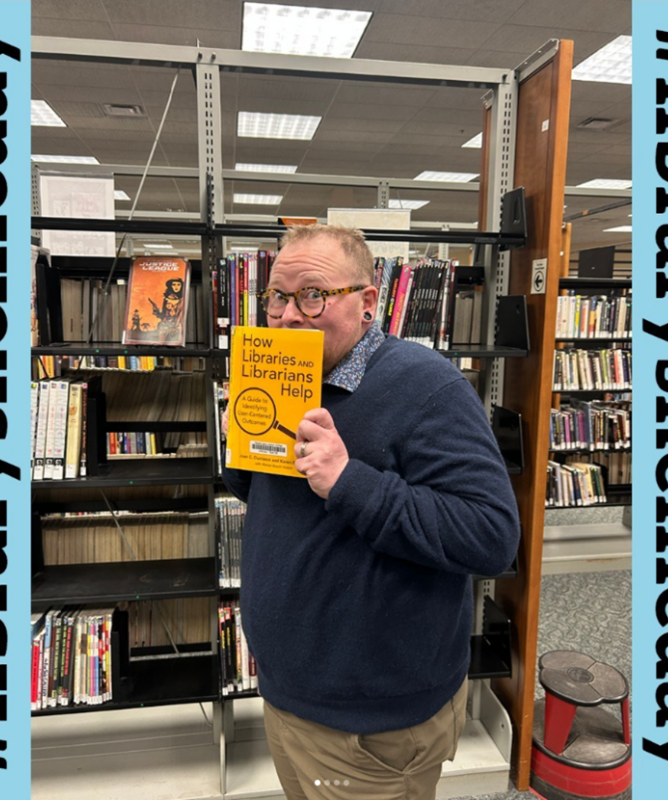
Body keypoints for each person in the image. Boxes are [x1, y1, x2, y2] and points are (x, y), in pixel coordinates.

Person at [222, 225, 520, 800]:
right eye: (278, 297)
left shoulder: (427, 385)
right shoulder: (285, 372)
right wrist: (246, 434)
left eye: (313, 295)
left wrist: (349, 480)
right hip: (292, 693)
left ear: (367, 302)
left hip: (371, 726)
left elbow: (491, 534)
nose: (287, 316)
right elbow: (261, 496)